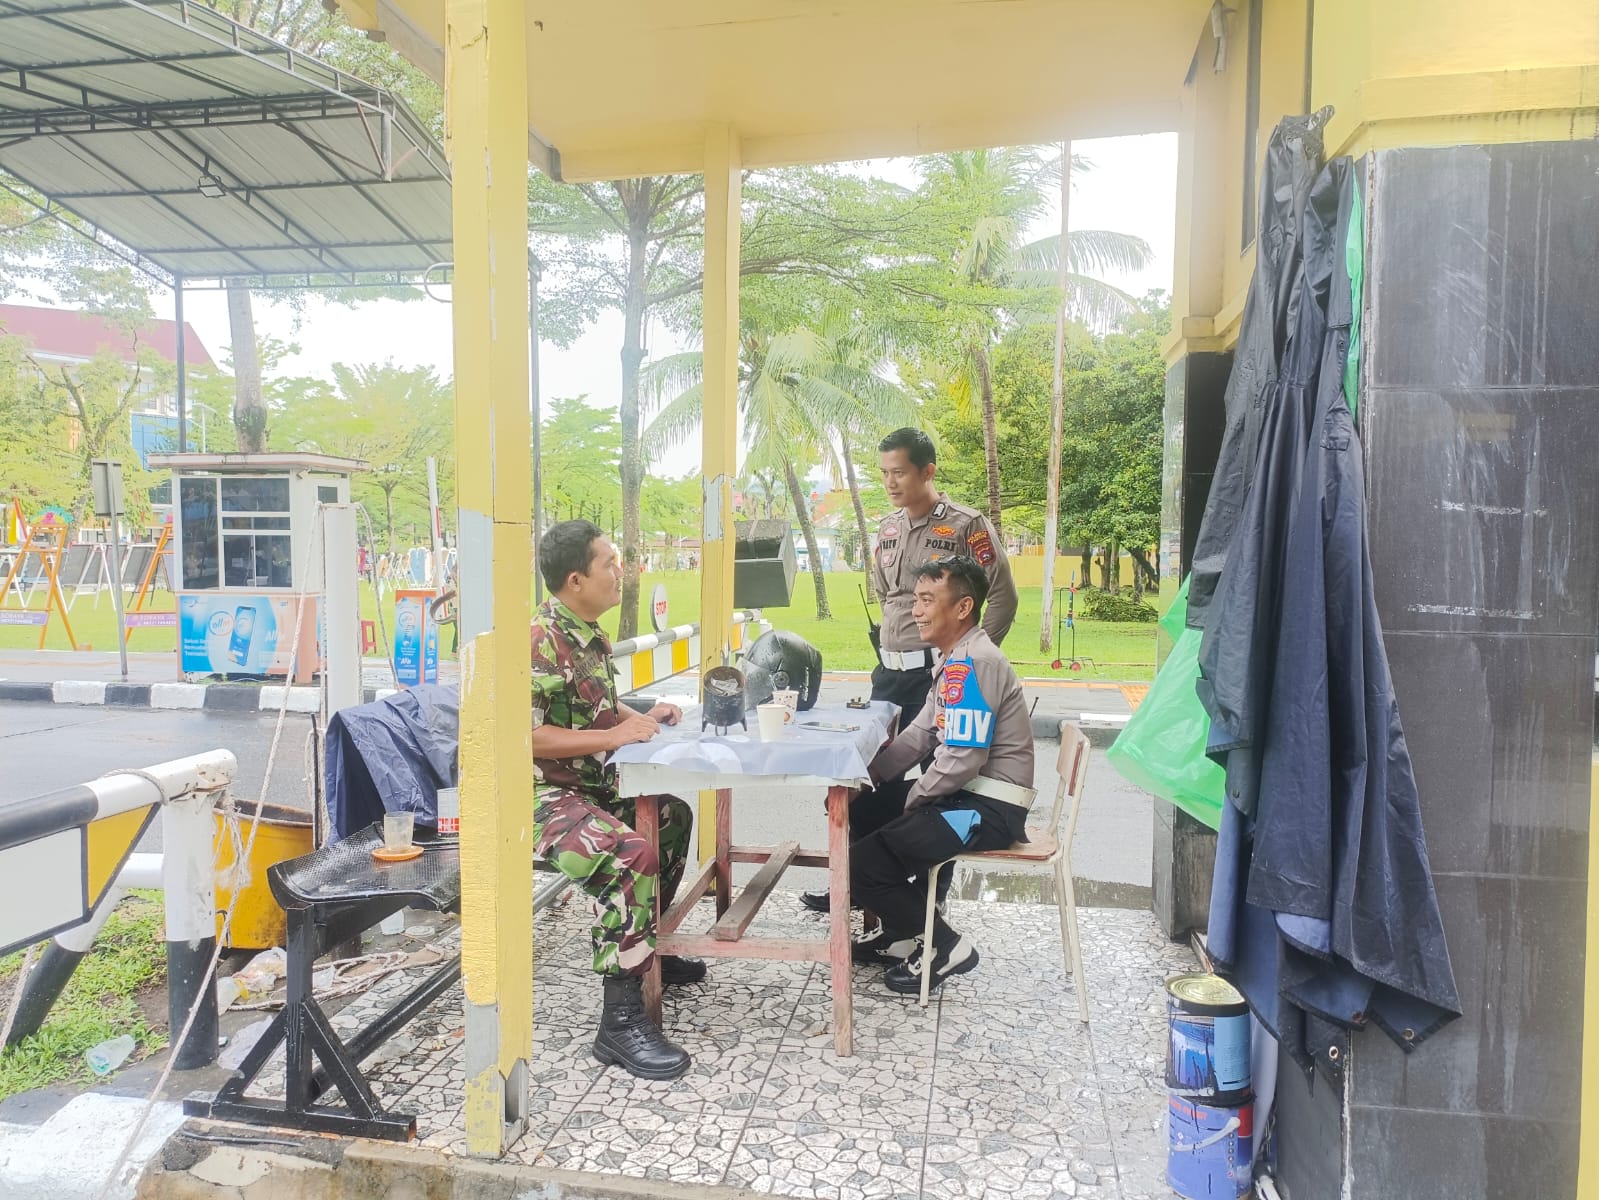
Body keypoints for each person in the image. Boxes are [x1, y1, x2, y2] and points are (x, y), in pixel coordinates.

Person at [802, 427, 1018, 913]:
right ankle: (863, 887)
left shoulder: (966, 526)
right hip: (889, 675)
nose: (890, 483)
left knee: (939, 787)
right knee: (871, 781)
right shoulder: (888, 529)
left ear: (927, 471)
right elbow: (889, 598)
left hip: (937, 674)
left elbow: (1003, 597)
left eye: (899, 472)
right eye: (884, 473)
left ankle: (928, 900)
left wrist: (964, 659)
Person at [529, 520, 705, 1079]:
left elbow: (599, 705)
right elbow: (526, 736)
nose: (619, 573)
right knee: (630, 855)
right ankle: (620, 1021)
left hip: (589, 785)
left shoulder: (588, 633)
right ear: (576, 580)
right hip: (540, 796)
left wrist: (642, 716)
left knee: (672, 817)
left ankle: (646, 951)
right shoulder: (539, 640)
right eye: (608, 564)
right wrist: (615, 736)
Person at [848, 556, 1036, 991]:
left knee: (860, 867)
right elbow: (919, 735)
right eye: (916, 599)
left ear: (963, 607)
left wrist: (914, 802)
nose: (916, 610)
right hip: (967, 794)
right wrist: (869, 780)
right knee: (866, 809)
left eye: (928, 600)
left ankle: (947, 946)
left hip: (989, 808)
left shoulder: (976, 663)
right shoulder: (956, 659)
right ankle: (901, 932)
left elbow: (964, 757)